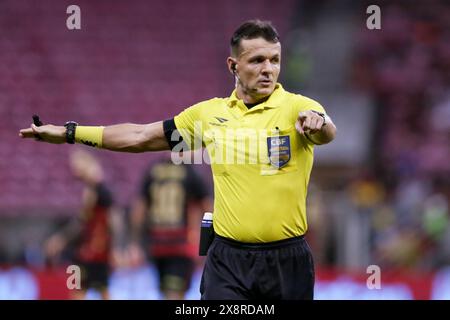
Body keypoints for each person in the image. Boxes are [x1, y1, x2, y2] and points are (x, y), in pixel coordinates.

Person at [20, 19, 337, 299]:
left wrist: (319, 124)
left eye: (274, 60)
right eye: (256, 60)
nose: (268, 69)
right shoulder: (209, 116)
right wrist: (69, 133)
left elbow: (326, 132)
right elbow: (140, 137)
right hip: (228, 260)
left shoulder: (298, 107)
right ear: (233, 66)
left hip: (287, 260)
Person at [129, 154, 212, 299]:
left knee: (167, 292)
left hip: (156, 243)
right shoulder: (190, 171)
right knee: (174, 293)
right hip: (181, 244)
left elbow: (139, 209)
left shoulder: (153, 170)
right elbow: (208, 207)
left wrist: (134, 242)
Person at [45, 148, 117, 299]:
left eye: (76, 164)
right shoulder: (94, 189)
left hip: (96, 253)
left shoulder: (97, 190)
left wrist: (61, 239)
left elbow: (104, 220)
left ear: (87, 162)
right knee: (79, 290)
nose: (74, 169)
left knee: (90, 291)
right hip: (87, 252)